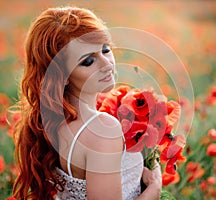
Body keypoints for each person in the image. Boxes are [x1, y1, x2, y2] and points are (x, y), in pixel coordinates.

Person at [12, 6, 162, 200]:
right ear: (63, 76)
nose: (107, 63)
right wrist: (154, 189)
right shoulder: (102, 130)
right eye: (88, 61)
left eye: (105, 49)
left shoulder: (56, 122)